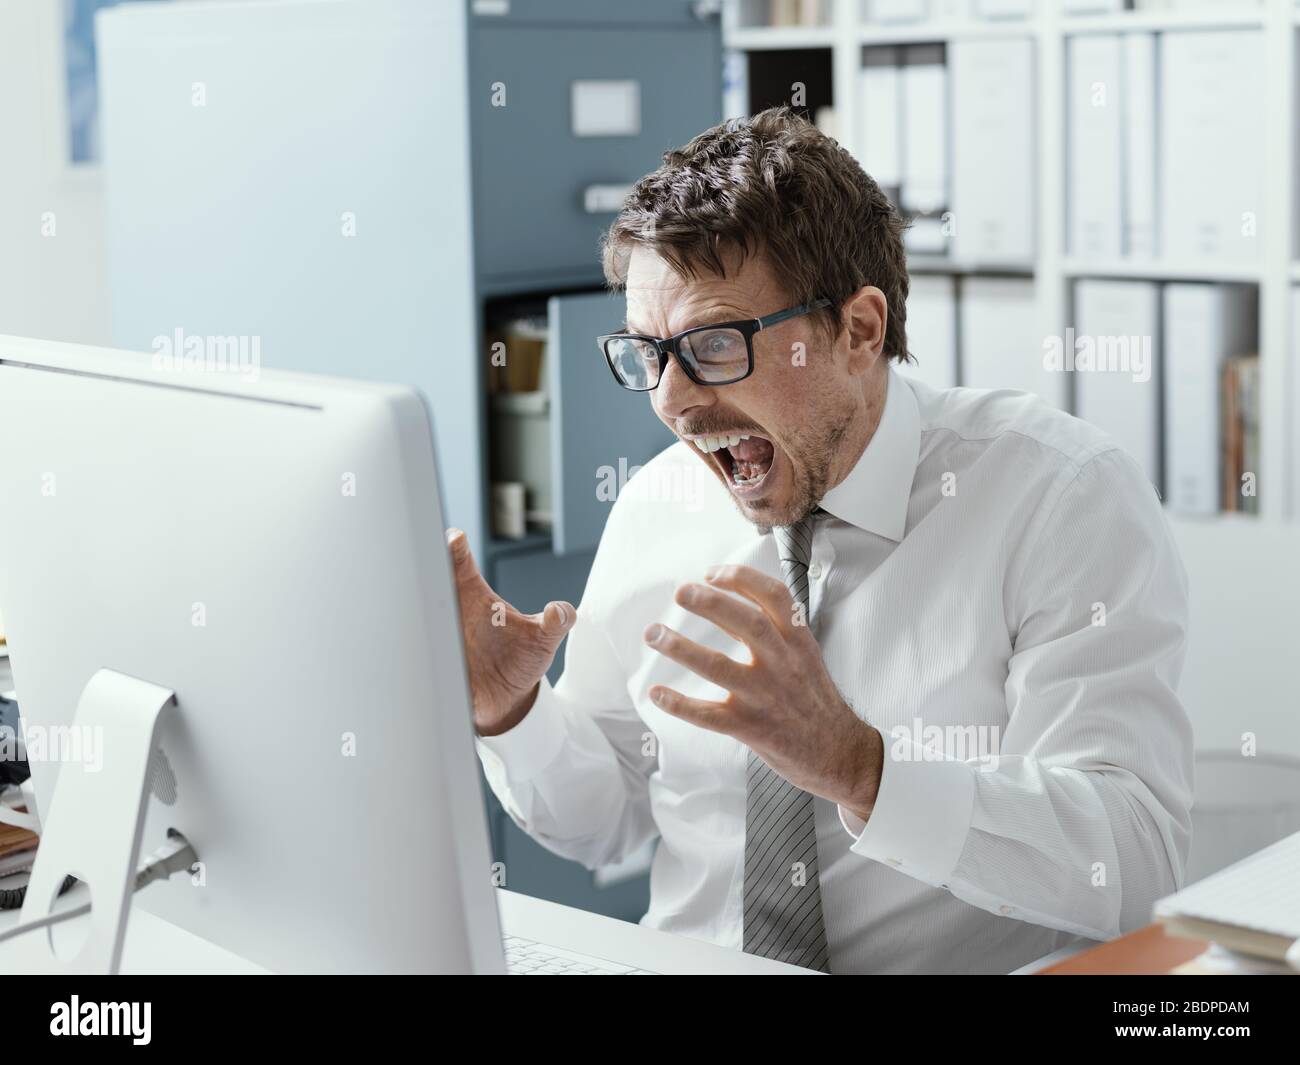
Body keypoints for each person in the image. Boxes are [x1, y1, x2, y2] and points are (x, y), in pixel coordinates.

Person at [449, 107, 1192, 974]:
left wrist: (860, 767)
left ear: (860, 330)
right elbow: (606, 818)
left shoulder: (1058, 496)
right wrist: (512, 712)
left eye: (715, 343)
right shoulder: (659, 503)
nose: (674, 402)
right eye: (648, 353)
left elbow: (1134, 860)